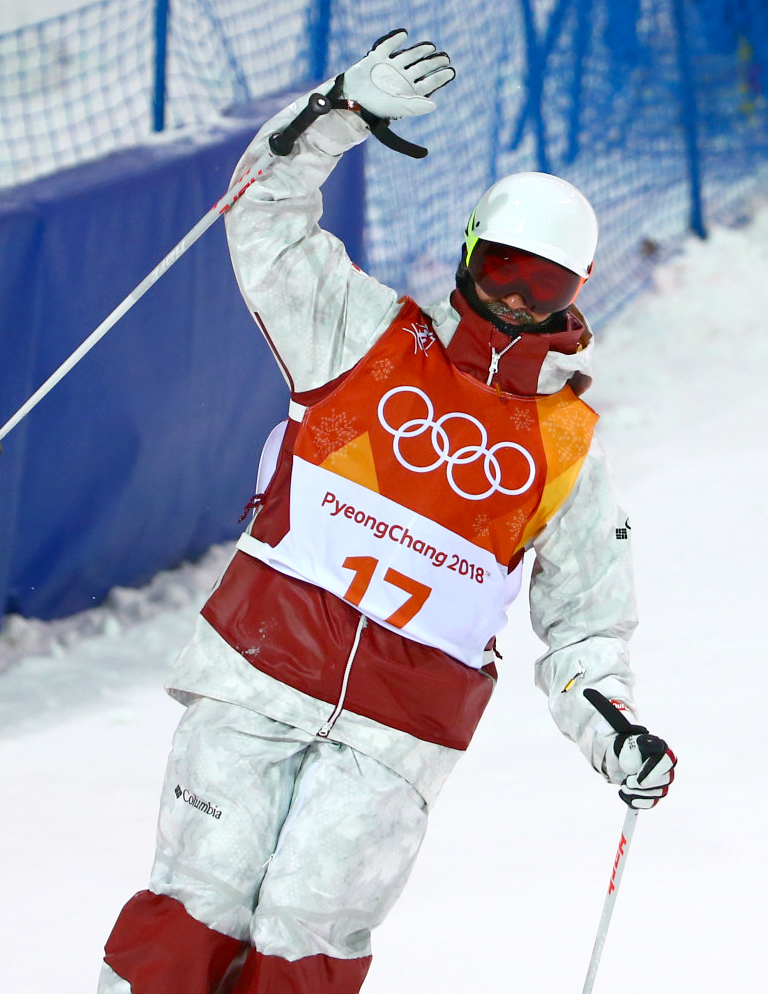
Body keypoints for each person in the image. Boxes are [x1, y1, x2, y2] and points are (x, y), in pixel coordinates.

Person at [97, 29, 676, 994]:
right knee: (196, 901)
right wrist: (338, 112)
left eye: (543, 289)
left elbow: (584, 628)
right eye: (501, 271)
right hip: (258, 677)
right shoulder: (360, 331)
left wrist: (611, 723)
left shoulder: (567, 448)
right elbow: (264, 218)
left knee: (307, 937)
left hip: (395, 735)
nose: (513, 303)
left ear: (574, 298)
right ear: (466, 255)